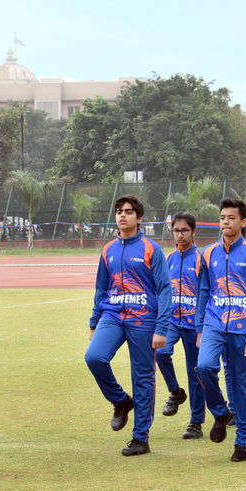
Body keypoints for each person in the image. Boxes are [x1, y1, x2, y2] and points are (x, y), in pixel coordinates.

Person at [85, 196, 171, 457]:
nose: (123, 216)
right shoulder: (108, 249)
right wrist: (93, 322)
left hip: (143, 319)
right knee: (94, 357)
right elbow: (101, 288)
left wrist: (161, 328)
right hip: (112, 315)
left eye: (129, 212)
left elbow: (165, 289)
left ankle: (140, 438)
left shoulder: (150, 249)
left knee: (143, 376)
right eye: (119, 212)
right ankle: (122, 401)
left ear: (139, 218)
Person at [195, 198, 246, 462]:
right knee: (203, 366)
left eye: (231, 218)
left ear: (243, 222)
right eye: (223, 217)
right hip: (214, 323)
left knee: (244, 386)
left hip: (244, 328)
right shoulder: (208, 253)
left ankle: (243, 441)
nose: (226, 222)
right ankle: (220, 412)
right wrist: (200, 328)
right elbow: (204, 290)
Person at [155, 212, 206, 439]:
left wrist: (203, 325)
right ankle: (176, 392)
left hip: (194, 323)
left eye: (185, 230)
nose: (180, 234)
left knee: (196, 372)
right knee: (161, 352)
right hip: (172, 321)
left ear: (194, 232)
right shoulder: (168, 259)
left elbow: (208, 292)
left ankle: (196, 422)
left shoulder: (201, 259)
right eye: (176, 230)